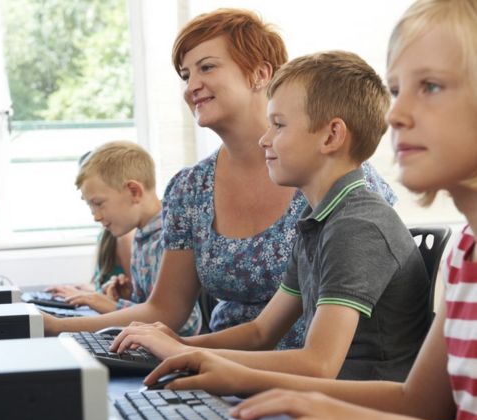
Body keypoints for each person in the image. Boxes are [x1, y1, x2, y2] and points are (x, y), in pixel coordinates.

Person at [143, 0, 477, 420]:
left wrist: (248, 377)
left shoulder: (359, 223)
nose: (395, 115)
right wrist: (199, 355)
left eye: (430, 86)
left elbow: (328, 368)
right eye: (396, 91)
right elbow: (425, 409)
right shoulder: (464, 255)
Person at [41, 9, 395, 343]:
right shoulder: (190, 188)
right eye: (185, 75)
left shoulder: (336, 177)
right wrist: (58, 327)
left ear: (260, 74)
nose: (191, 85)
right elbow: (165, 310)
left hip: (307, 378)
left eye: (206, 67)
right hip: (223, 361)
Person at [114, 50, 430, 382]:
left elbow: (318, 365)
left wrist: (188, 356)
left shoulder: (357, 226)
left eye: (278, 125)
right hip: (323, 399)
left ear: (331, 136)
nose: (265, 139)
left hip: (362, 414)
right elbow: (261, 332)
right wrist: (178, 344)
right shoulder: (318, 219)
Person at [49, 140, 201, 335]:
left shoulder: (166, 240)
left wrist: (112, 308)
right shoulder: (142, 236)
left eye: (98, 203)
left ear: (134, 191)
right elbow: (149, 307)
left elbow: (187, 324)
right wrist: (126, 298)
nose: (95, 216)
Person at [47, 229, 135, 313]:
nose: (96, 217)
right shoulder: (107, 233)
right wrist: (89, 290)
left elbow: (133, 298)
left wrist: (86, 296)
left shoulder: (125, 237)